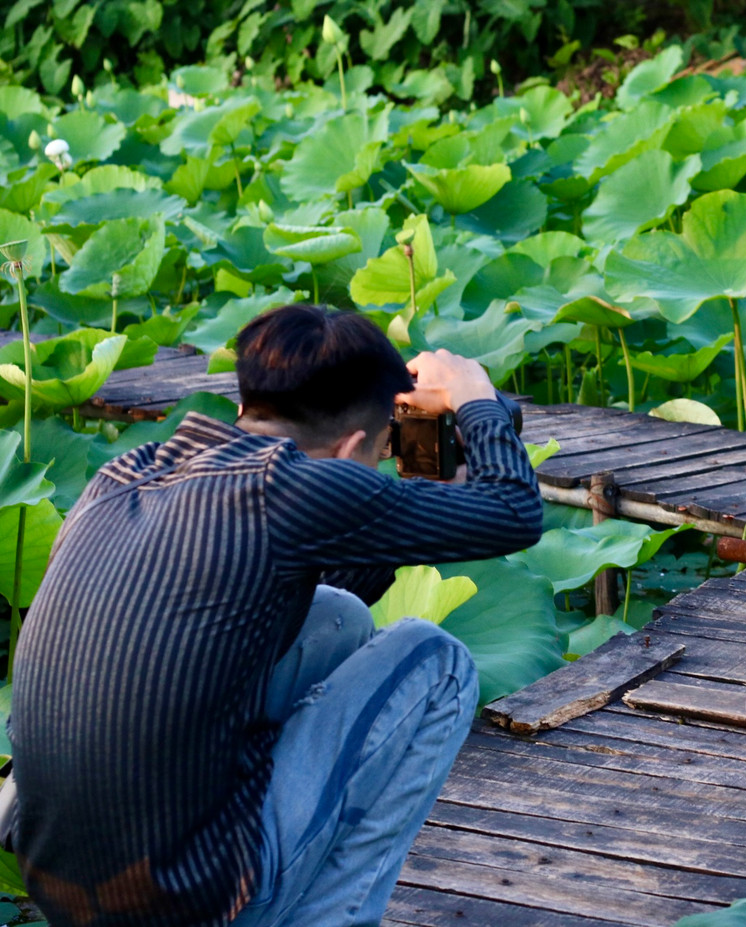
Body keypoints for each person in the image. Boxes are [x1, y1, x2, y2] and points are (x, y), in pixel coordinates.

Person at [8, 303, 543, 927]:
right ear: (348, 449)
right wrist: (475, 398)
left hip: (62, 884)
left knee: (335, 615)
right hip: (188, 900)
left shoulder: (128, 471)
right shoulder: (292, 488)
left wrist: (420, 501)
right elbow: (514, 511)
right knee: (437, 661)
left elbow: (296, 587)